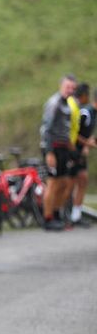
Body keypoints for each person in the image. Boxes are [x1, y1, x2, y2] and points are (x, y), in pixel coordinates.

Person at [40, 74, 78, 231]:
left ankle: (56, 214)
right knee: (53, 182)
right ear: (61, 86)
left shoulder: (69, 104)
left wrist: (72, 149)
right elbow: (46, 129)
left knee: (63, 182)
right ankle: (47, 217)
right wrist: (49, 152)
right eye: (67, 87)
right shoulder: (53, 103)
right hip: (53, 147)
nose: (69, 90)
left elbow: (66, 128)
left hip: (64, 147)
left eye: (72, 88)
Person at [70, 83, 95, 227]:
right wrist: (86, 143)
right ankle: (68, 213)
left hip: (81, 151)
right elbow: (75, 133)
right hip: (74, 150)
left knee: (83, 180)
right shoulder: (85, 112)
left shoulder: (92, 113)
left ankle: (76, 214)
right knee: (71, 182)